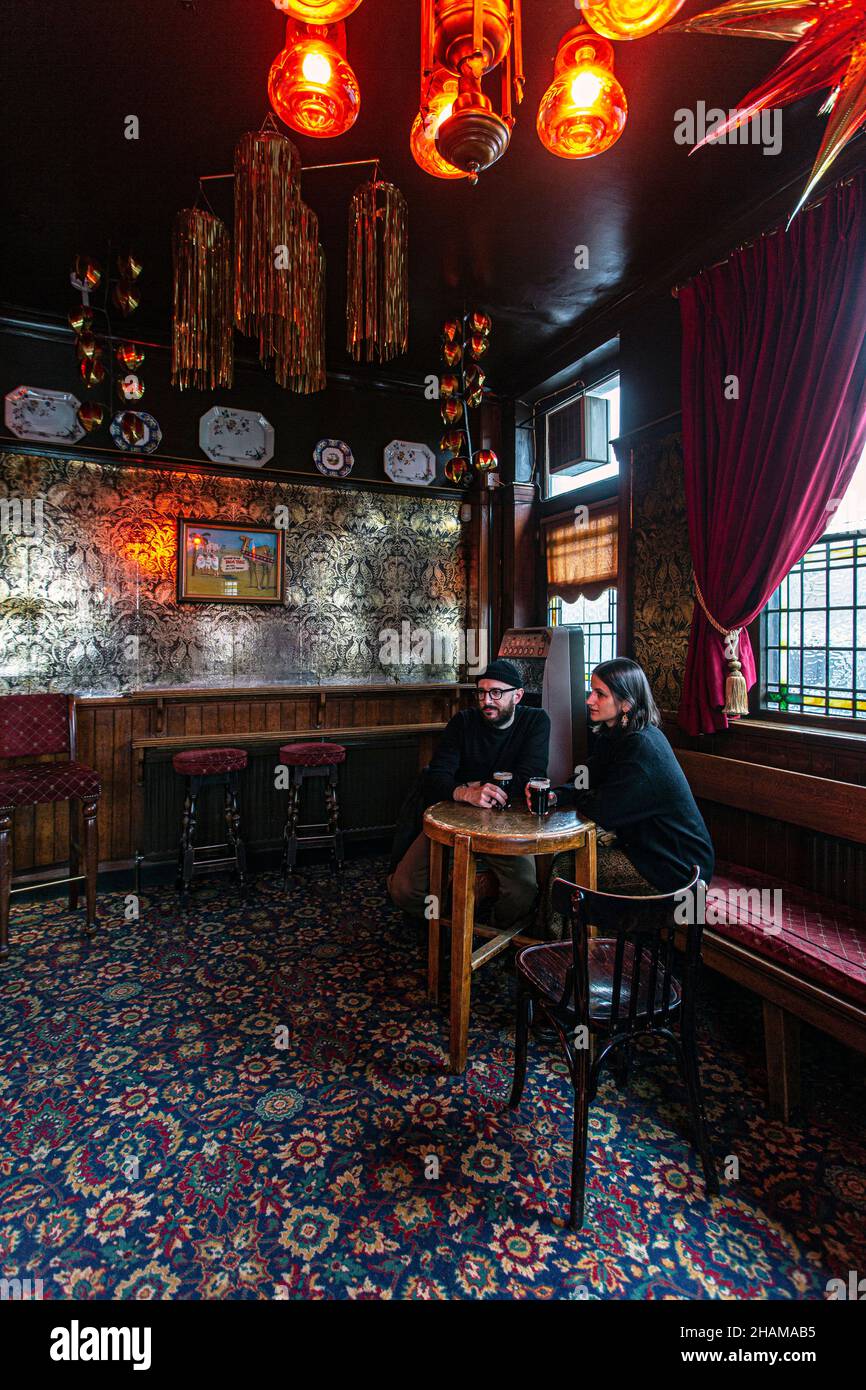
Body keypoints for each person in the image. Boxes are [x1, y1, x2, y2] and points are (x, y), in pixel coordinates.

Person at [388, 658, 551, 929]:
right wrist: (466, 793)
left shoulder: (535, 722)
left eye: (496, 693)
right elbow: (436, 778)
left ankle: (491, 933)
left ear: (518, 695)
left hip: (507, 823)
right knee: (403, 889)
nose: (487, 700)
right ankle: (450, 928)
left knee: (523, 889)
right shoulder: (463, 722)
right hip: (455, 820)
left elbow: (528, 778)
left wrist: (474, 784)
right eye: (482, 692)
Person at [544, 657, 714, 896]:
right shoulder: (614, 735)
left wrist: (579, 795)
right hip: (645, 850)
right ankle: (586, 931)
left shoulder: (642, 746)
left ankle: (563, 934)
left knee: (564, 868)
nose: (589, 700)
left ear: (626, 703)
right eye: (591, 691)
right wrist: (556, 794)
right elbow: (585, 776)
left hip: (678, 869)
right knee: (568, 859)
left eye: (599, 694)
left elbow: (604, 810)